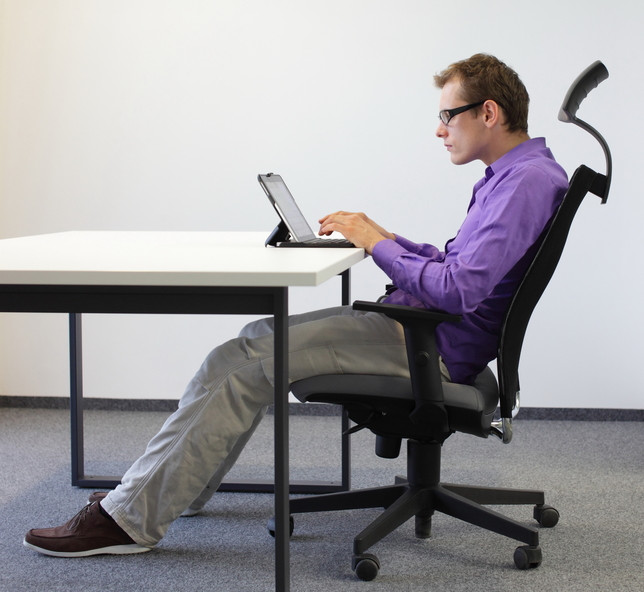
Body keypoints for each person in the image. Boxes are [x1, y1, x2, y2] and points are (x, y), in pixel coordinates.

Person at [23, 53, 568, 557]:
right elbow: (457, 265)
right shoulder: (519, 174)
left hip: (428, 344)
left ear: (489, 111)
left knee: (238, 364)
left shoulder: (524, 182)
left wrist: (376, 245)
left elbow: (457, 290)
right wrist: (385, 234)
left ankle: (130, 520)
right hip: (423, 331)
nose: (439, 128)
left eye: (448, 114)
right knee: (251, 342)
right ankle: (165, 491)